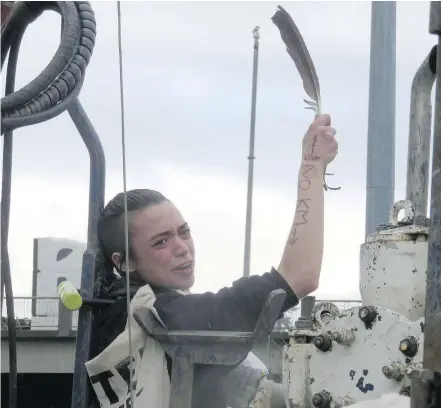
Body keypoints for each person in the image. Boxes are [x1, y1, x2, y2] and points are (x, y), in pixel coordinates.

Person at [88, 114, 338, 408]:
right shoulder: (154, 316)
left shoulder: (119, 315)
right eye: (161, 241)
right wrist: (312, 168)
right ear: (125, 263)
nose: (182, 248)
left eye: (184, 232)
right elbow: (301, 276)